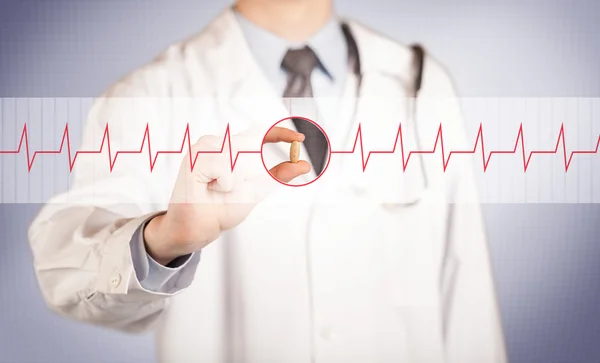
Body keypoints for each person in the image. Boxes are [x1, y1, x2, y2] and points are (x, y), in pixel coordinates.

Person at [28, 0, 507, 362]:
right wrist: (165, 240)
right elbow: (63, 272)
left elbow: (467, 298)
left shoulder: (420, 84)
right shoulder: (152, 95)